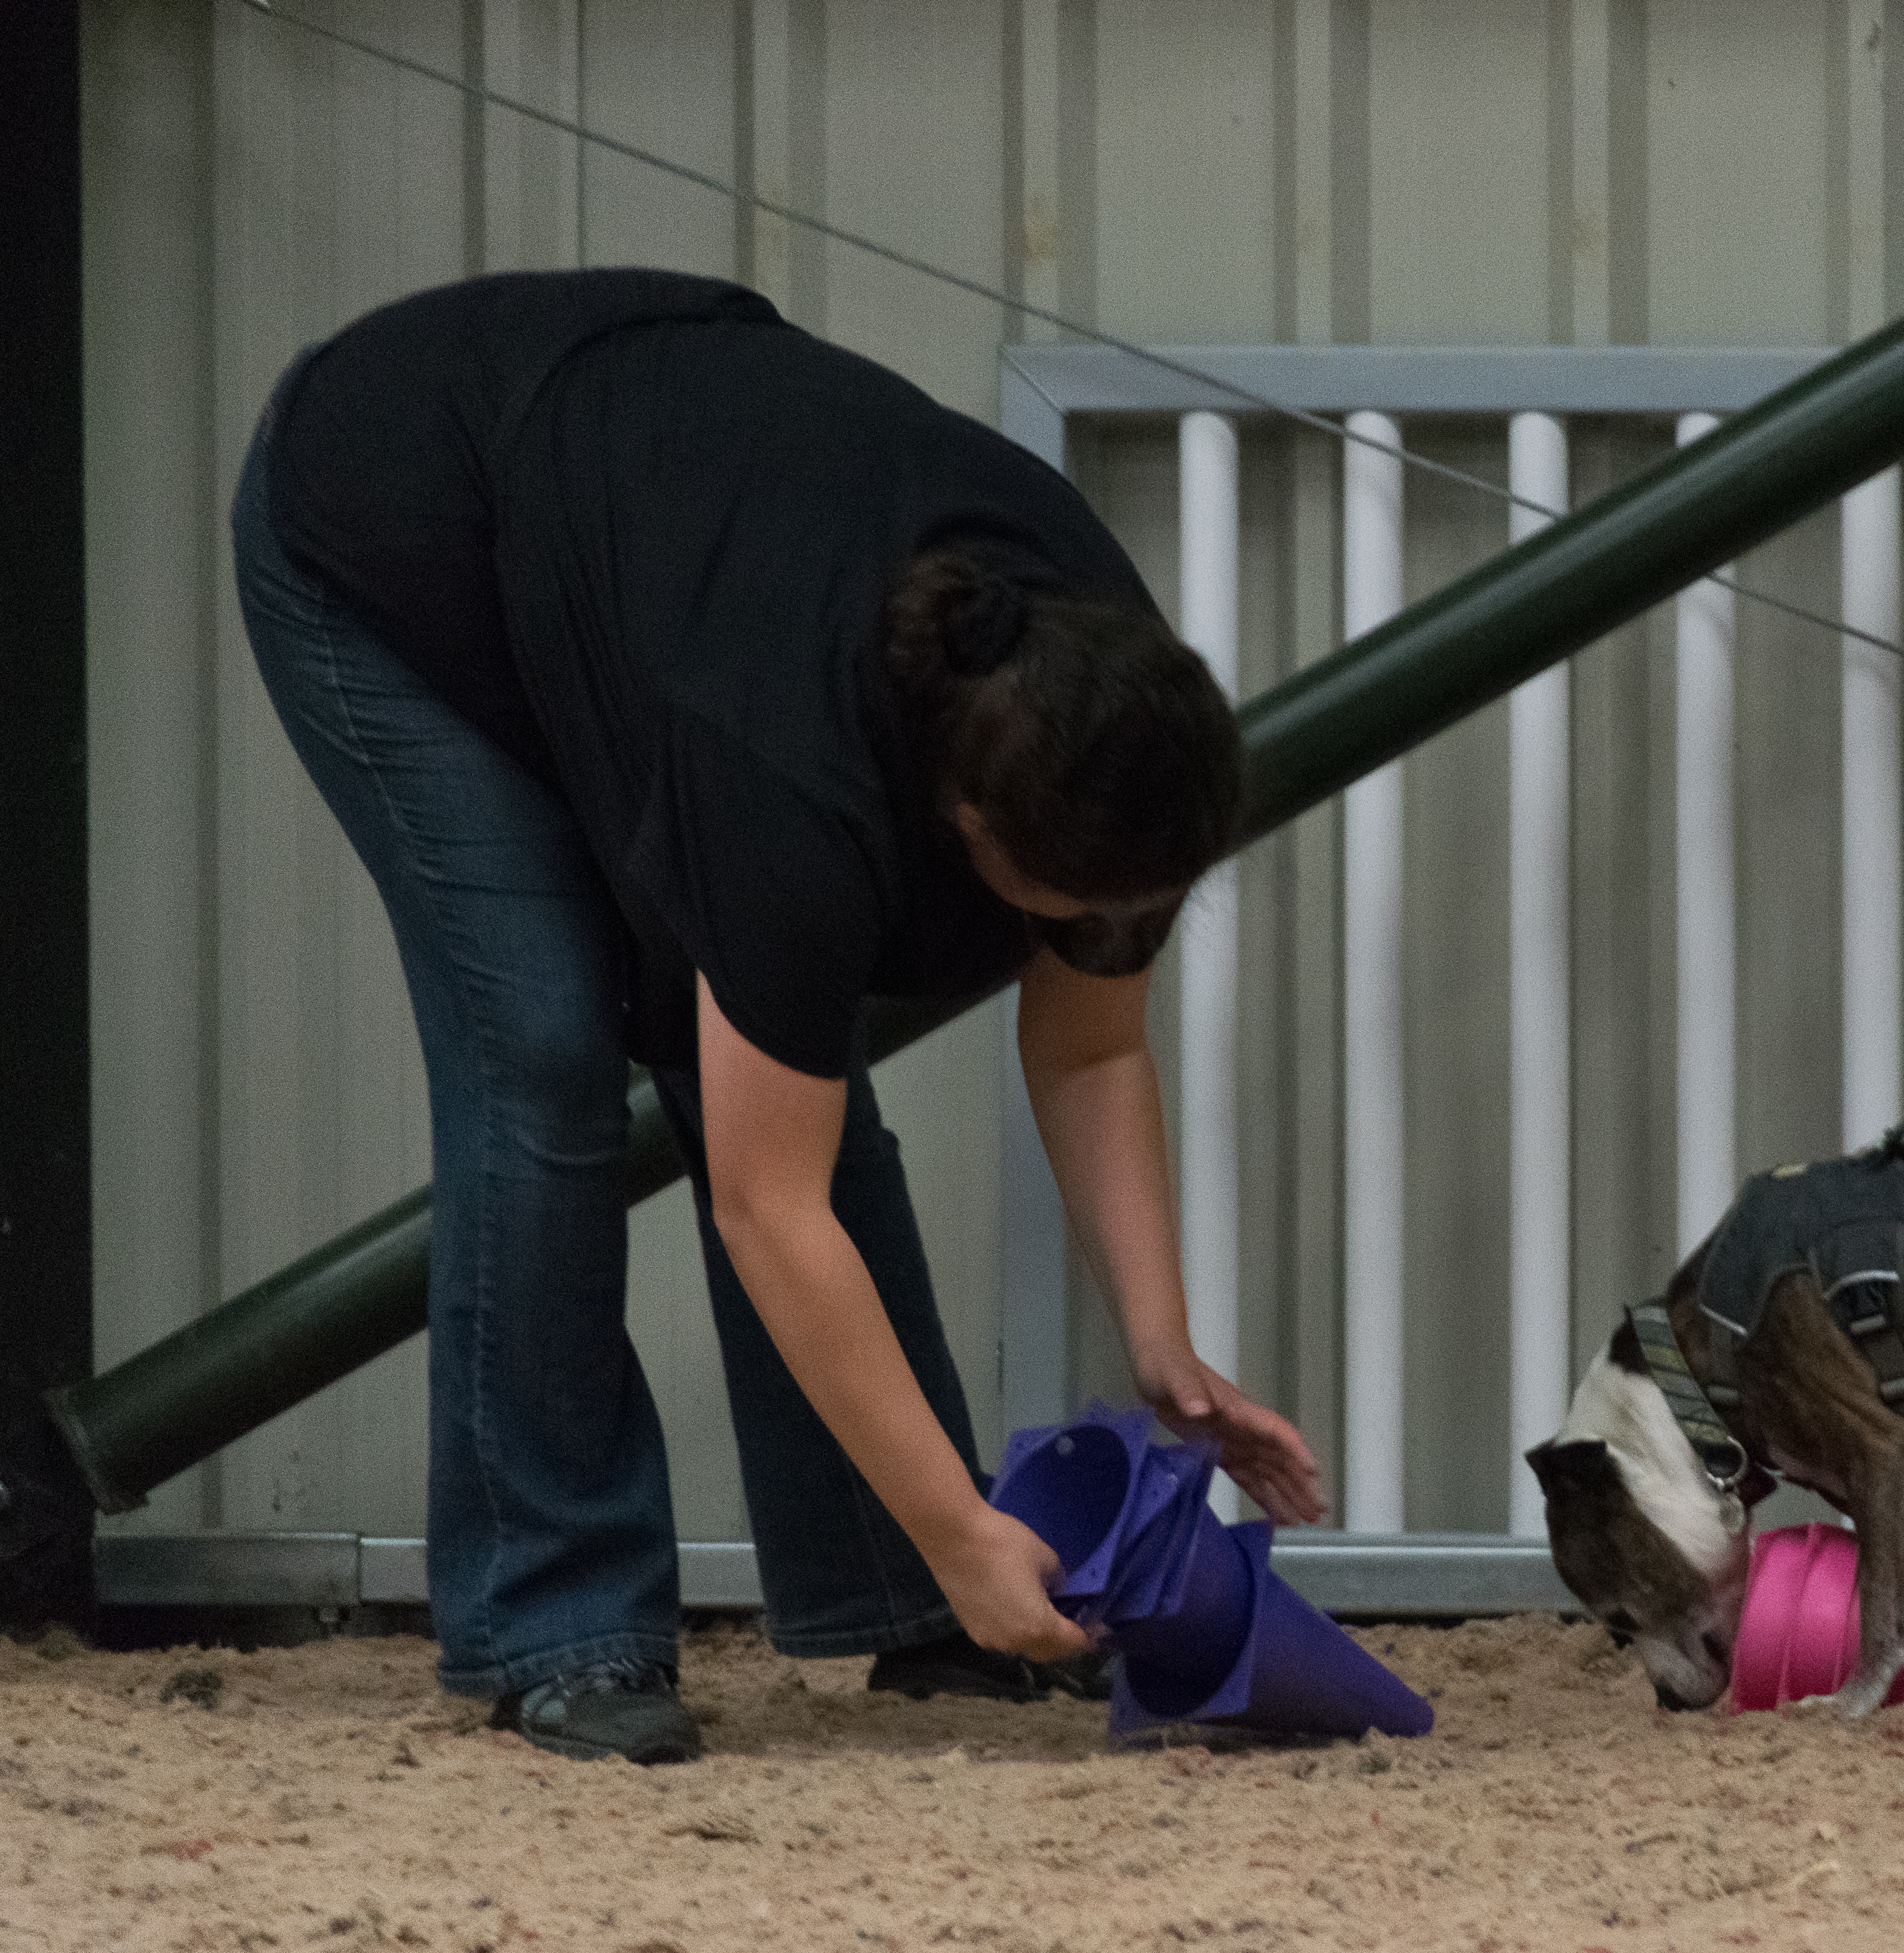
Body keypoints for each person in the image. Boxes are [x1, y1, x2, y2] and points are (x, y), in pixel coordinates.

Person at [232, 267, 1323, 1765]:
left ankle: (909, 1602)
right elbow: (767, 1206)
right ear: (960, 820)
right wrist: (964, 1528)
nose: (1102, 938)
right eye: (1073, 911)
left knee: (774, 1064)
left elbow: (1092, 1041)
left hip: (652, 529)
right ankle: (558, 1621)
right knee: (548, 1053)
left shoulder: (1105, 693)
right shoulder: (788, 776)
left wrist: (1165, 1345)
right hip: (395, 524)